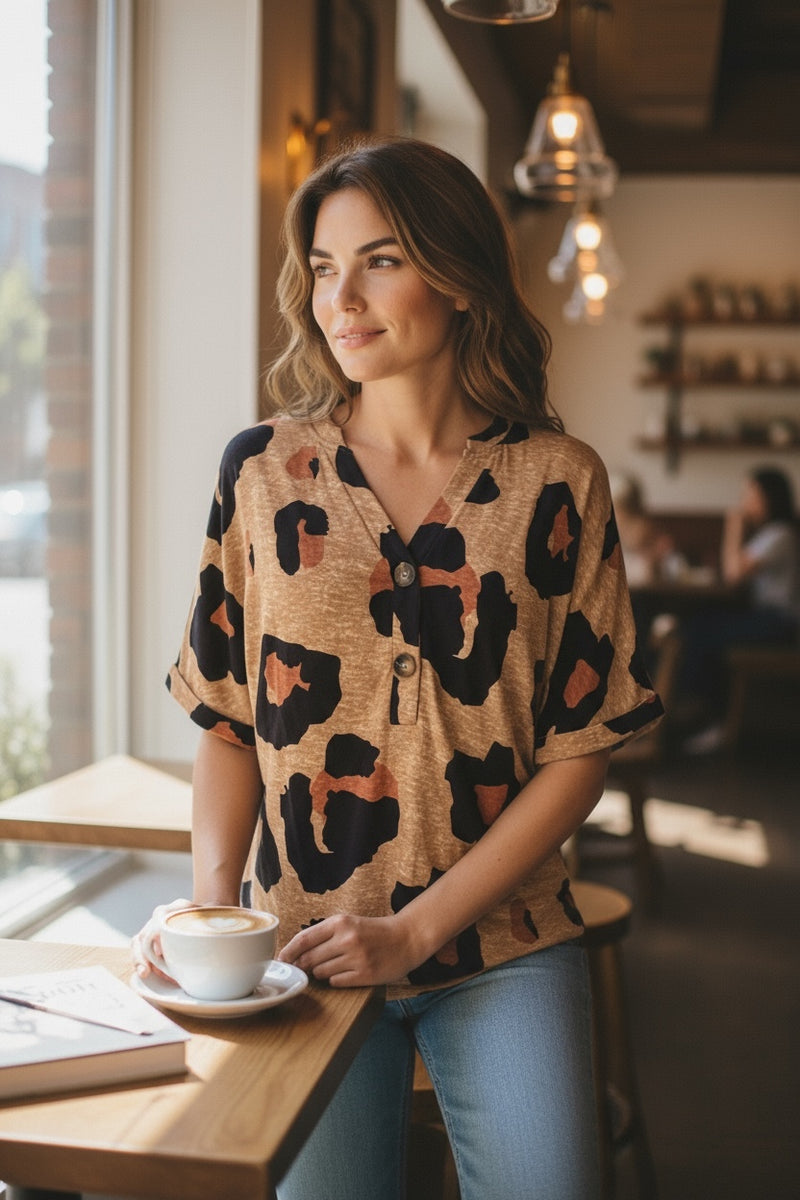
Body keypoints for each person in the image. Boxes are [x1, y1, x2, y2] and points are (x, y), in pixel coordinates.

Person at [132, 137, 662, 1200]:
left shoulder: (555, 483)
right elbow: (228, 719)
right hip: (296, 955)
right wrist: (208, 919)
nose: (341, 299)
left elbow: (581, 750)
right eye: (324, 269)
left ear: (458, 276)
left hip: (501, 944)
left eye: (378, 260)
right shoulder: (262, 473)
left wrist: (417, 930)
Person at [682, 466, 799, 753]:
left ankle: (708, 716)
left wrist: (733, 527)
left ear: (769, 498)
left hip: (780, 624)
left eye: (750, 494)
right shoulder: (772, 534)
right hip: (769, 619)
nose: (745, 502)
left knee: (703, 632)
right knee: (700, 625)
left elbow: (733, 573)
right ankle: (698, 709)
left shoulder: (780, 534)